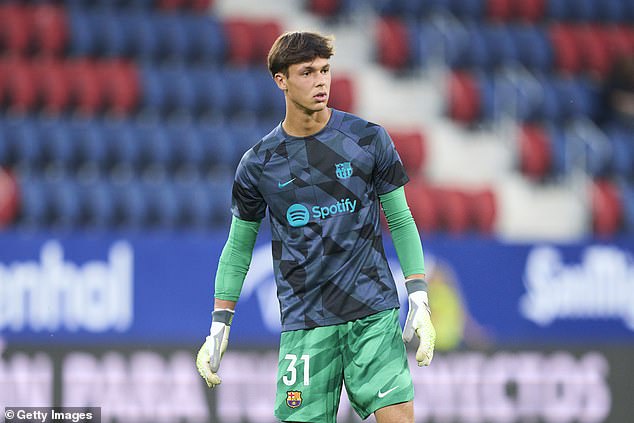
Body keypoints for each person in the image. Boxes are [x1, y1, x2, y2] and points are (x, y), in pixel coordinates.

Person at [196, 31, 435, 423]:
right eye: (307, 72)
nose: (321, 80)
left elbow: (401, 218)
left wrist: (419, 295)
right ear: (281, 80)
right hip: (305, 325)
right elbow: (238, 247)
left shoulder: (367, 139)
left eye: (325, 70)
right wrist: (220, 323)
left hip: (371, 313)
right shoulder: (259, 165)